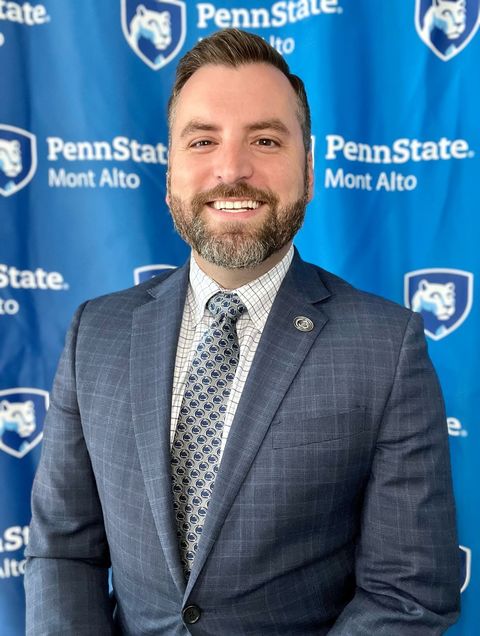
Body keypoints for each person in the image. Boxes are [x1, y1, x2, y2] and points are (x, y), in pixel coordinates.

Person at [25, 28, 460, 635]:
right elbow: (63, 553)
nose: (233, 169)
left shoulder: (387, 349)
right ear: (172, 168)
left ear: (307, 169)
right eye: (203, 141)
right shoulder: (94, 333)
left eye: (265, 139)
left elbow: (407, 594)